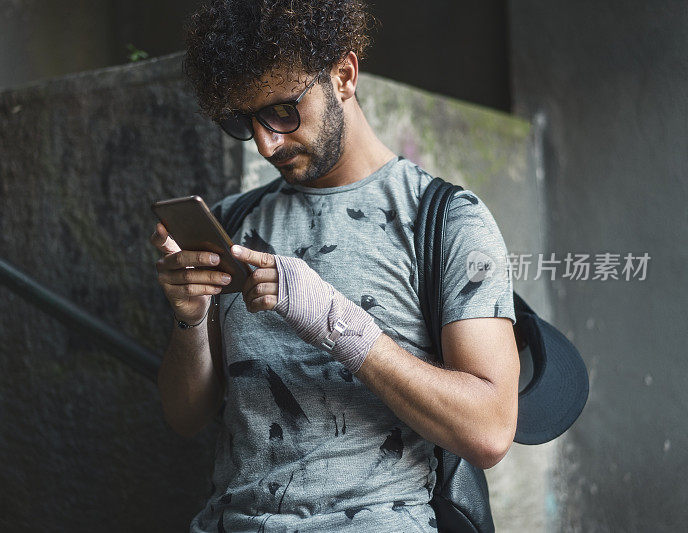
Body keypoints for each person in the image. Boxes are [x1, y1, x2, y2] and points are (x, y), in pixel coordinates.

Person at [151, 1, 520, 531]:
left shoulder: (445, 220)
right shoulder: (235, 221)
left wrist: (337, 324)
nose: (265, 142)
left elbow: (490, 430)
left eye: (282, 110)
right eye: (244, 120)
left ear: (344, 75)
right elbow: (185, 417)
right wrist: (189, 318)